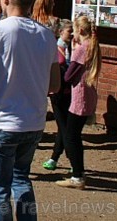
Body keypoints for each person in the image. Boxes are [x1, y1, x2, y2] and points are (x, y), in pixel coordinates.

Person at [0, 0, 60, 221]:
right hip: (33, 122)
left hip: (2, 121)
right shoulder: (47, 35)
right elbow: (55, 85)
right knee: (22, 180)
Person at [56, 15, 101, 190]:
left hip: (80, 94)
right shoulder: (93, 45)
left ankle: (77, 175)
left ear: (80, 31)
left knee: (71, 136)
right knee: (74, 134)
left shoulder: (82, 48)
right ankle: (78, 172)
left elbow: (68, 76)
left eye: (74, 29)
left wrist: (73, 51)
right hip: (88, 92)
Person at [43, 19, 73, 171]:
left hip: (69, 92)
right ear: (61, 32)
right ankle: (73, 160)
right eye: (69, 31)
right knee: (64, 125)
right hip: (57, 92)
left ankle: (55, 157)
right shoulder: (56, 48)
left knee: (64, 126)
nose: (72, 34)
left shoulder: (72, 47)